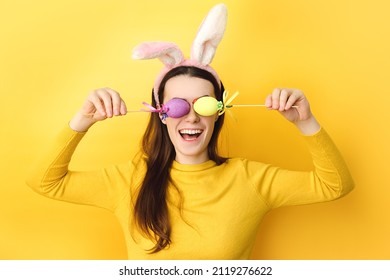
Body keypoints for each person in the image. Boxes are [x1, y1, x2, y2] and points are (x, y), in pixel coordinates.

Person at [26, 4, 354, 259]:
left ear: (220, 112)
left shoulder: (250, 179)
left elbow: (335, 185)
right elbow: (43, 183)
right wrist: (82, 121)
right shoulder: (129, 181)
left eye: (204, 105)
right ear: (161, 114)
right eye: (179, 106)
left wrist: (305, 122)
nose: (192, 118)